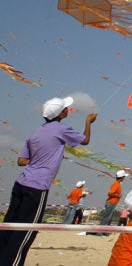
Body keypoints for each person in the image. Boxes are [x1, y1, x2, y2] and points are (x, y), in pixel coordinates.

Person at [0, 96, 96, 266]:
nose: (68, 110)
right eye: (65, 108)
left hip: (20, 183)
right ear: (61, 114)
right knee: (27, 231)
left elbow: (21, 160)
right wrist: (89, 122)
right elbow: (85, 140)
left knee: (9, 227)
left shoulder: (35, 132)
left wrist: (39, 159)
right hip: (36, 187)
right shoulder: (60, 129)